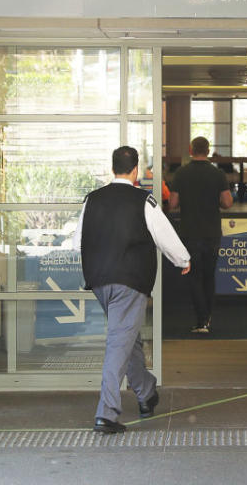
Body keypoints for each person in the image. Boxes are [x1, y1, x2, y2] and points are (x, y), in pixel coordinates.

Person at [73, 146, 191, 434]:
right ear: (136, 170)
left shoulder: (92, 200)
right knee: (119, 342)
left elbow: (77, 242)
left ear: (113, 167)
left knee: (127, 338)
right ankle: (107, 413)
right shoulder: (144, 200)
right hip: (130, 281)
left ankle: (146, 391)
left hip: (100, 280)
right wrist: (183, 259)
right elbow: (164, 235)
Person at [169, 136, 234, 334]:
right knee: (209, 276)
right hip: (212, 233)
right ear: (208, 150)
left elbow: (172, 204)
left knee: (195, 276)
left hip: (190, 233)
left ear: (190, 150)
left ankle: (201, 320)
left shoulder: (181, 173)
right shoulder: (217, 174)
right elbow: (228, 202)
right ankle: (208, 317)